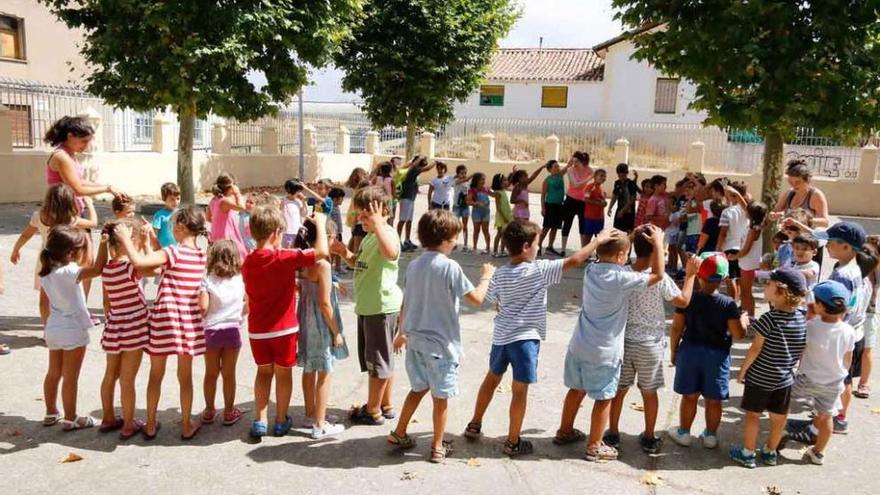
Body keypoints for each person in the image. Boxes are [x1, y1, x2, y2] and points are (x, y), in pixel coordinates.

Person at [463, 222, 618, 457]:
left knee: (491, 379)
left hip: (501, 337)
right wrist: (597, 241)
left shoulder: (501, 273)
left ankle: (475, 423)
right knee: (519, 391)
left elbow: (494, 301)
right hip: (525, 340)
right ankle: (513, 441)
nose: (539, 248)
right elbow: (574, 260)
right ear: (526, 247)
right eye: (537, 243)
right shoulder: (539, 270)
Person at [388, 210, 495, 463]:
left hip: (415, 343)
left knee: (417, 389)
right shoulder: (450, 267)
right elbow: (477, 299)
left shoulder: (414, 264)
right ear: (446, 239)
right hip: (441, 347)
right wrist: (487, 277)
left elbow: (406, 302)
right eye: (455, 237)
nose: (456, 242)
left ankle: (399, 432)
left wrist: (401, 332)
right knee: (441, 398)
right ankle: (437, 446)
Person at [555, 225, 665, 462]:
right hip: (604, 350)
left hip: (580, 343)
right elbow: (657, 276)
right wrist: (657, 245)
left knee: (576, 390)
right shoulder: (621, 277)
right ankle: (595, 445)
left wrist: (599, 241)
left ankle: (565, 430)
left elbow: (585, 255)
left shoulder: (591, 271)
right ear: (621, 257)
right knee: (604, 397)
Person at [114, 205, 208, 440]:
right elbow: (160, 257)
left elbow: (139, 262)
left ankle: (151, 424)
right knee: (185, 377)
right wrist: (152, 238)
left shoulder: (173, 252)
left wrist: (126, 238)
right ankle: (187, 424)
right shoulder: (200, 255)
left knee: (156, 374)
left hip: (165, 319)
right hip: (188, 321)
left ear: (181, 227)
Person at [604, 226, 698, 454]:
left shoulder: (623, 273)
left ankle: (613, 432)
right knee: (649, 392)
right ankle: (648, 435)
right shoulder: (659, 278)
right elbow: (683, 301)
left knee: (619, 390)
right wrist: (691, 274)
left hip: (623, 341)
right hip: (650, 345)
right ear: (659, 249)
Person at [242, 205, 329, 438]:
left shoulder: (248, 261)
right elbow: (321, 252)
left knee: (262, 373)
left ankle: (260, 420)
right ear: (275, 234)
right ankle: (280, 420)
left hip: (258, 330)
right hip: (284, 330)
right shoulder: (284, 257)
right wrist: (320, 222)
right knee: (283, 375)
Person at [330, 186, 402, 425]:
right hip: (371, 307)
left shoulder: (387, 234)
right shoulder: (371, 237)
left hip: (379, 308)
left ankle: (372, 410)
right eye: (361, 214)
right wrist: (344, 253)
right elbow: (359, 264)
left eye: (367, 214)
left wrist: (379, 224)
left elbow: (391, 253)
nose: (361, 218)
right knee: (384, 359)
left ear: (384, 213)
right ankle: (385, 403)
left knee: (377, 363)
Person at [729, 267, 807, 469]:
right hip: (784, 379)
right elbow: (801, 349)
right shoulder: (801, 319)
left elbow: (755, 348)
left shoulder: (768, 319)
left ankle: (747, 453)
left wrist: (743, 370)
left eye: (768, 284)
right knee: (779, 417)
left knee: (753, 415)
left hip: (760, 377)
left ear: (781, 291)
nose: (764, 287)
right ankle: (770, 452)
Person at [667, 252, 747, 449]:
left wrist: (674, 350)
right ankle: (710, 436)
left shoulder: (688, 299)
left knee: (689, 396)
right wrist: (743, 320)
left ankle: (684, 432)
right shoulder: (728, 304)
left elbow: (677, 327)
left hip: (690, 352)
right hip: (717, 356)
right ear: (724, 278)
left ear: (699, 276)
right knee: (714, 400)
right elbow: (738, 333)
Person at [44, 116, 124, 298]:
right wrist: (106, 188)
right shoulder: (61, 156)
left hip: (75, 210)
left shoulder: (70, 155)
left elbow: (80, 181)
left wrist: (108, 187)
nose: (85, 146)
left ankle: (81, 308)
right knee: (74, 264)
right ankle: (71, 307)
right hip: (65, 215)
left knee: (86, 261)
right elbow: (77, 188)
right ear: (70, 135)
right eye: (83, 141)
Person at [39, 225, 108, 430]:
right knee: (71, 376)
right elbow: (97, 269)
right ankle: (71, 418)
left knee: (53, 372)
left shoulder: (47, 271)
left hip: (53, 327)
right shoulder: (69, 271)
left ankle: (51, 411)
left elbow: (44, 303)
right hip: (73, 329)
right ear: (70, 252)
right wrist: (103, 244)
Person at [784, 280, 856, 465]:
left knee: (782, 402)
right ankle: (818, 452)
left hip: (807, 378)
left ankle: (776, 437)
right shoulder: (849, 331)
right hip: (833, 382)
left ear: (820, 306)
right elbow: (847, 359)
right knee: (826, 417)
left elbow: (800, 351)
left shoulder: (810, 326)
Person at [814, 222, 874, 433]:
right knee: (844, 378)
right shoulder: (856, 270)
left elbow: (838, 308)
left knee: (837, 378)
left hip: (842, 334)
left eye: (830, 242)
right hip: (854, 333)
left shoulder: (842, 275)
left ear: (846, 247)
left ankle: (830, 420)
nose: (827, 246)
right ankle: (840, 416)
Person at [10, 184, 97, 325]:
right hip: (66, 261)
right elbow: (93, 223)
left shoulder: (39, 216)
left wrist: (16, 249)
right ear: (70, 202)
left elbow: (26, 235)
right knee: (68, 295)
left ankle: (48, 327)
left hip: (46, 259)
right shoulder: (71, 220)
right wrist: (90, 204)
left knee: (45, 299)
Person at [295, 219, 349, 439]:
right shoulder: (324, 265)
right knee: (324, 373)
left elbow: (306, 285)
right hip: (320, 324)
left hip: (305, 321)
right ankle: (319, 424)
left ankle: (312, 414)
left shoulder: (302, 261)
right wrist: (336, 332)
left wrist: (332, 283)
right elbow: (325, 305)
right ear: (324, 240)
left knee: (309, 369)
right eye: (332, 238)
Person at [99, 219, 150, 440]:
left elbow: (106, 302)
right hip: (134, 328)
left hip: (115, 325)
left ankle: (108, 416)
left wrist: (111, 319)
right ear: (131, 243)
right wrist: (146, 244)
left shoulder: (107, 270)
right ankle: (129, 423)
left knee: (110, 374)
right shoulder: (131, 268)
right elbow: (147, 266)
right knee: (128, 378)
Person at [198, 240, 246, 428]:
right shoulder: (240, 279)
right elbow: (247, 304)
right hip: (232, 330)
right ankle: (228, 411)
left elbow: (203, 306)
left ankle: (209, 410)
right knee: (229, 373)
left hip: (211, 330)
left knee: (210, 373)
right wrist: (238, 314)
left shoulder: (207, 278)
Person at [729, 202, 767, 318]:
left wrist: (734, 257)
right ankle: (745, 314)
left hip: (748, 264)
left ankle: (751, 317)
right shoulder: (755, 226)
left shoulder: (753, 230)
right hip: (746, 263)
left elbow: (746, 250)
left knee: (746, 292)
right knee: (745, 291)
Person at [770, 159, 830, 228]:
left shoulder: (816, 195)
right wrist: (773, 215)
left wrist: (799, 219)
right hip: (788, 235)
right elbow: (774, 212)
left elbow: (825, 222)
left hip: (806, 237)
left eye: (798, 182)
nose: (793, 185)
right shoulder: (789, 193)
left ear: (807, 181)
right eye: (790, 182)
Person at [716, 181, 749, 304]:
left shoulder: (727, 212)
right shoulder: (747, 210)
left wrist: (718, 248)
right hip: (744, 247)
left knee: (731, 279)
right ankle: (738, 303)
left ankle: (732, 304)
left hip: (730, 247)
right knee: (739, 279)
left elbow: (723, 233)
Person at [856, 236, 880, 399]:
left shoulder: (876, 272)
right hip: (852, 313)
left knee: (867, 348)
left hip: (869, 312)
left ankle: (863, 383)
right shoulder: (852, 268)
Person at [398, 157, 435, 251]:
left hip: (411, 198)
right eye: (422, 164)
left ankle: (407, 240)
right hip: (406, 198)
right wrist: (435, 162)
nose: (423, 167)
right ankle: (398, 241)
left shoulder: (415, 171)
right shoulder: (412, 169)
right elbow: (427, 168)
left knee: (409, 220)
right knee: (402, 220)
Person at [560, 151, 594, 254]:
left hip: (583, 201)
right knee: (567, 223)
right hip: (571, 200)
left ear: (582, 161)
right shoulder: (570, 170)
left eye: (576, 161)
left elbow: (595, 181)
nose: (574, 163)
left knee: (582, 225)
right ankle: (563, 249)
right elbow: (575, 185)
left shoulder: (589, 170)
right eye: (573, 160)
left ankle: (583, 250)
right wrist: (589, 178)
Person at [538, 160, 566, 255]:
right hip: (550, 205)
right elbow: (543, 195)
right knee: (546, 227)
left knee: (555, 227)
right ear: (550, 169)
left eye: (558, 166)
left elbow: (569, 165)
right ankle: (538, 245)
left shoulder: (560, 175)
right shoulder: (547, 180)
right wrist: (543, 208)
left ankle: (550, 247)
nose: (558, 168)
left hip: (559, 205)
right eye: (555, 167)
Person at [607, 164, 639, 234]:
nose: (621, 178)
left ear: (627, 173)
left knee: (629, 232)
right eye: (619, 176)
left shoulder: (631, 184)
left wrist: (623, 210)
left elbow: (632, 199)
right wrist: (610, 207)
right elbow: (614, 196)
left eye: (623, 176)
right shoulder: (617, 183)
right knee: (617, 231)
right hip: (620, 209)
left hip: (629, 212)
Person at [581, 169, 608, 247]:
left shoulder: (601, 188)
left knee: (599, 237)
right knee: (588, 236)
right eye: (601, 176)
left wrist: (604, 203)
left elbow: (602, 201)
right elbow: (585, 199)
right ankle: (584, 254)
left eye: (605, 176)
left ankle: (598, 255)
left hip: (600, 217)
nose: (603, 178)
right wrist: (598, 203)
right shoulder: (590, 186)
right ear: (595, 176)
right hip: (590, 217)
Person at [468, 173, 492, 255]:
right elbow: (468, 201)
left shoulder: (485, 189)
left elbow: (493, 195)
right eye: (482, 179)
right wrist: (476, 203)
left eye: (484, 179)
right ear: (477, 180)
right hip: (476, 213)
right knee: (476, 230)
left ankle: (488, 248)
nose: (483, 181)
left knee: (486, 230)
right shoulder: (472, 190)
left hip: (486, 213)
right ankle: (474, 247)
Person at [280, 178, 308, 249]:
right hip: (287, 232)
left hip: (298, 233)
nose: (300, 193)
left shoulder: (298, 202)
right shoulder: (283, 202)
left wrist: (304, 202)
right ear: (292, 191)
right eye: (298, 191)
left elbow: (304, 214)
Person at [490, 173, 513, 257]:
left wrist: (513, 173)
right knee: (499, 234)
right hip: (501, 216)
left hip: (507, 215)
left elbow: (509, 183)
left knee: (504, 234)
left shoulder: (503, 190)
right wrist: (504, 217)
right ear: (499, 182)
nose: (506, 182)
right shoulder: (498, 193)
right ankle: (495, 251)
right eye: (504, 180)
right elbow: (498, 207)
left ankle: (502, 251)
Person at [152, 182, 181, 248]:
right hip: (163, 249)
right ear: (164, 199)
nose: (176, 202)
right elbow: (154, 233)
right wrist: (155, 248)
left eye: (178, 198)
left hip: (177, 249)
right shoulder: (159, 215)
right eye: (172, 199)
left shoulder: (180, 214)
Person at [451, 165, 473, 251]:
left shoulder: (467, 183)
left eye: (465, 173)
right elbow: (466, 179)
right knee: (455, 226)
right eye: (461, 173)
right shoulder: (456, 181)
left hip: (465, 206)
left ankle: (465, 244)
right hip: (457, 206)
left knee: (465, 226)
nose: (464, 175)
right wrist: (471, 176)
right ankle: (454, 242)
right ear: (457, 174)